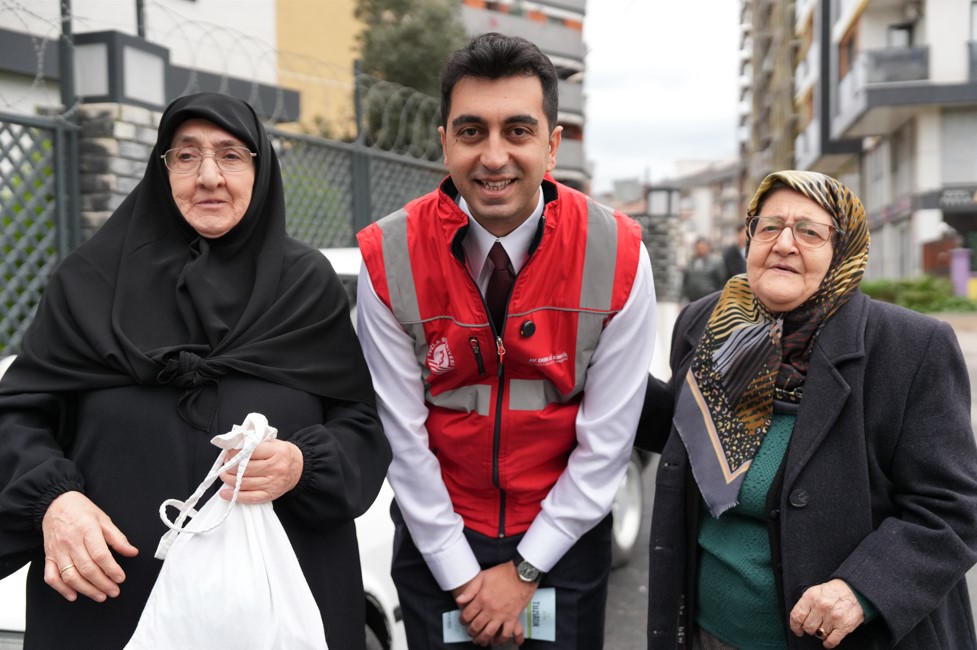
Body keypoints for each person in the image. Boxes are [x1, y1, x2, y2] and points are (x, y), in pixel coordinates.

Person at [0, 92, 391, 649]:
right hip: (110, 607)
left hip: (278, 610)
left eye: (230, 155)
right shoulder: (88, 284)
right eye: (186, 156)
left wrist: (303, 465)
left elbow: (361, 428)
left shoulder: (304, 286)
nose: (209, 176)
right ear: (162, 168)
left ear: (260, 168)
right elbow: (17, 417)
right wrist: (53, 502)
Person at [356, 32, 656, 649]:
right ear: (444, 144)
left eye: (517, 131)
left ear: (552, 146)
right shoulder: (388, 256)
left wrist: (524, 571)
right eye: (472, 132)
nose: (494, 156)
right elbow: (401, 437)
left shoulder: (619, 253)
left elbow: (608, 443)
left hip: (563, 544)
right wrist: (463, 575)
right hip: (438, 538)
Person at [637, 170, 977, 649]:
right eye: (769, 226)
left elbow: (952, 509)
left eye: (810, 231)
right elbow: (685, 429)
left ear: (844, 251)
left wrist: (861, 589)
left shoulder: (910, 348)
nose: (784, 244)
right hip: (706, 632)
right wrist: (596, 371)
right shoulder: (711, 322)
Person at [682, 237, 726, 302]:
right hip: (692, 299)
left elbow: (722, 280)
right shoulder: (690, 262)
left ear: (708, 248)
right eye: (698, 248)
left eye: (702, 248)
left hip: (709, 299)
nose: (700, 250)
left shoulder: (716, 262)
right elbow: (685, 281)